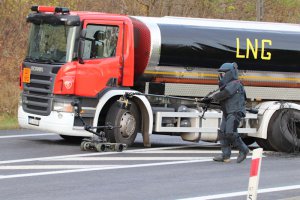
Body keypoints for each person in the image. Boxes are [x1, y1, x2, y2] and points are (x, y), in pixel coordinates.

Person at [202, 62, 249, 163]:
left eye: (223, 74)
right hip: (227, 112)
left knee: (230, 133)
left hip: (235, 112)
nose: (220, 77)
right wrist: (207, 100)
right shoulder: (226, 85)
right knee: (222, 133)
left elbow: (225, 94)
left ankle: (244, 150)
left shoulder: (235, 84)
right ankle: (225, 155)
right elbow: (223, 97)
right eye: (220, 74)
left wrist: (211, 98)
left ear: (230, 74)